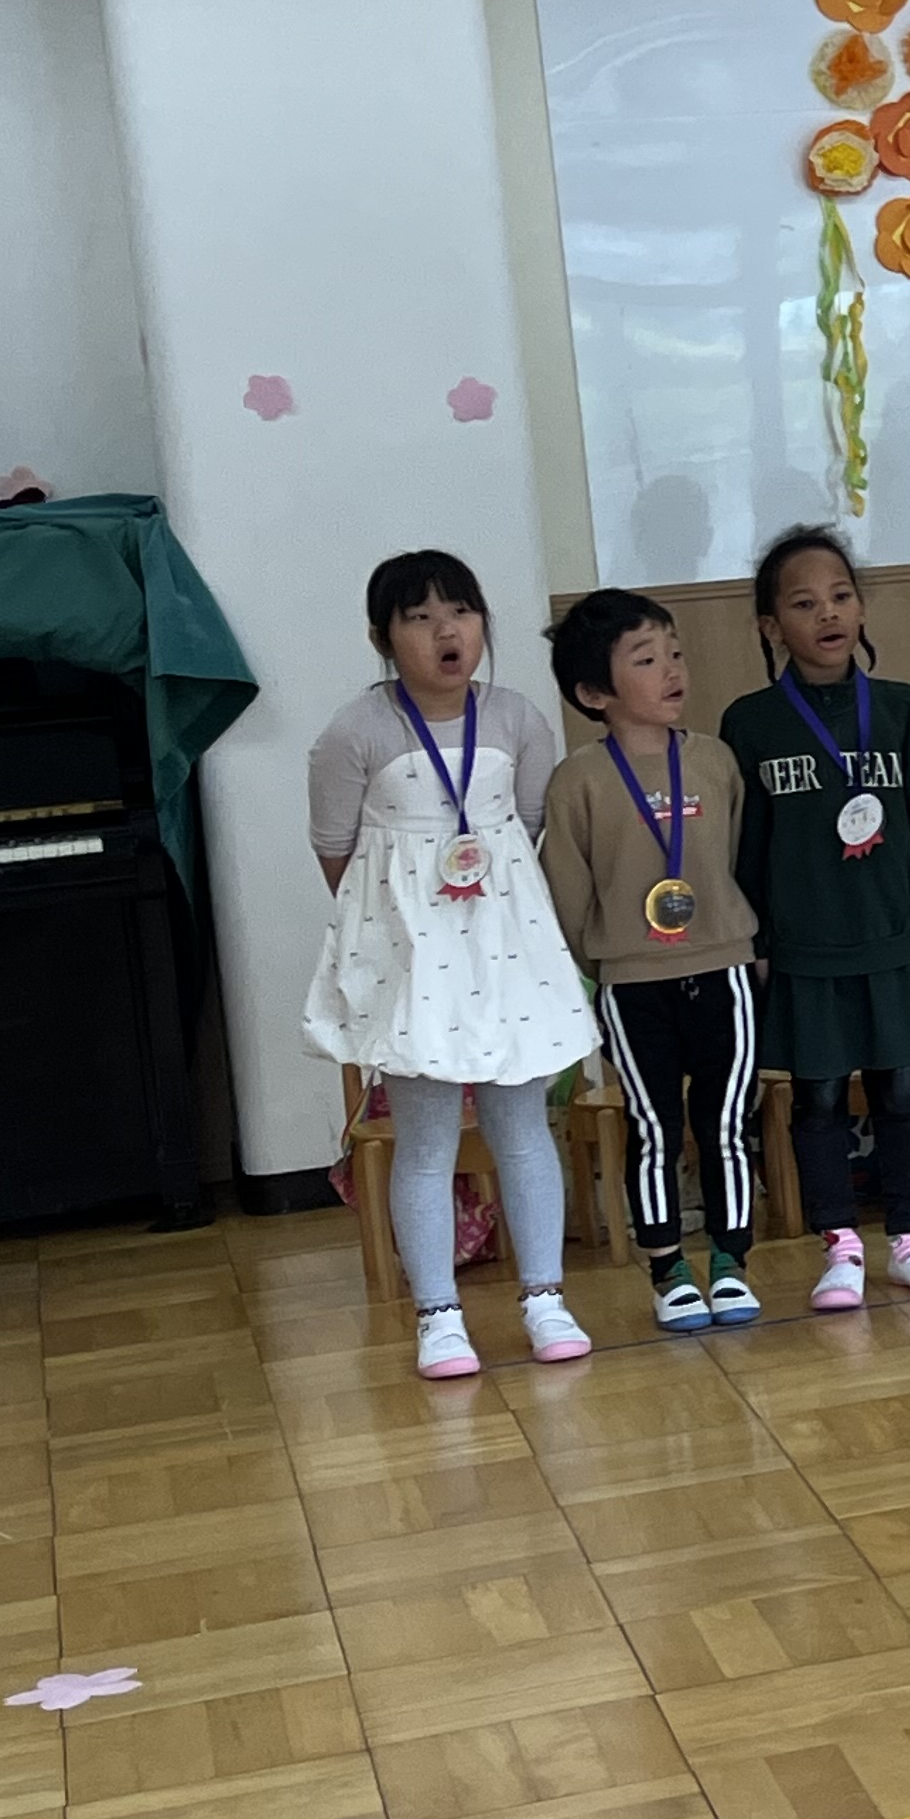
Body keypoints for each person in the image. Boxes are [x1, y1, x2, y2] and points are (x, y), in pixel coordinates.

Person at [303, 548, 602, 1378]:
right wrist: (404, 925)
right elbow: (336, 852)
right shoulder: (355, 732)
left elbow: (529, 826)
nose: (447, 631)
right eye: (420, 617)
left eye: (461, 612)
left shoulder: (517, 718)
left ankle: (545, 1298)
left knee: (523, 1128)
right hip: (414, 960)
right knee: (426, 1139)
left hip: (506, 948)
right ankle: (438, 1315)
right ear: (382, 638)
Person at [720, 524, 910, 1307]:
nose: (827, 614)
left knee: (899, 1090)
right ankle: (840, 1247)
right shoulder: (751, 723)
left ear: (861, 608)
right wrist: (756, 937)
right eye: (804, 604)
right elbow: (744, 846)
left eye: (840, 596)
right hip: (804, 950)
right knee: (820, 1097)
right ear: (771, 626)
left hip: (894, 942)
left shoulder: (905, 711)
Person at [540, 587, 763, 1329]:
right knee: (654, 1126)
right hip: (633, 982)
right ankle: (669, 1269)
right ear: (593, 692)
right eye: (645, 659)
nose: (672, 670)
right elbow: (569, 895)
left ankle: (730, 1261)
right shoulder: (578, 781)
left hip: (724, 969)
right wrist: (611, 961)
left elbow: (734, 858)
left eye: (675, 653)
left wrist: (726, 936)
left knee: (726, 1122)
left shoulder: (715, 761)